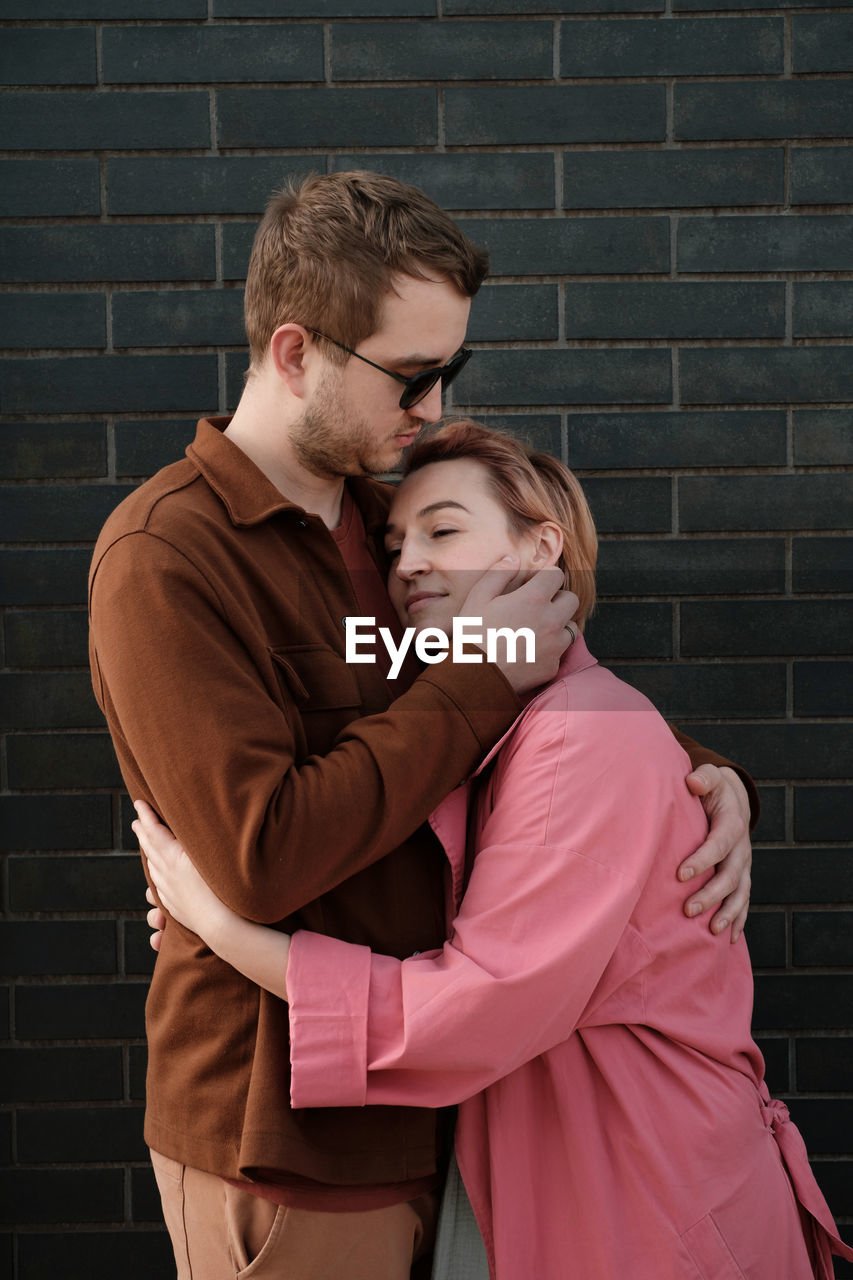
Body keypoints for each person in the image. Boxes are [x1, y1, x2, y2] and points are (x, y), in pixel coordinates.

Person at [91, 171, 753, 1280]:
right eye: (411, 374)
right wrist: (484, 673)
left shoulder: (381, 527)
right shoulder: (168, 559)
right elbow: (264, 851)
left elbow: (502, 708)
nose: (434, 406)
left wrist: (692, 776)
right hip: (291, 1147)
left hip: (457, 1122)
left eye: (451, 371)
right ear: (295, 353)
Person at [136, 420, 853, 1280]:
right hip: (577, 1176)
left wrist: (224, 928)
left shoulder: (582, 732)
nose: (404, 565)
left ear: (539, 547)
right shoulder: (486, 712)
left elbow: (473, 1006)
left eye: (443, 530)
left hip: (645, 1195)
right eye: (395, 543)